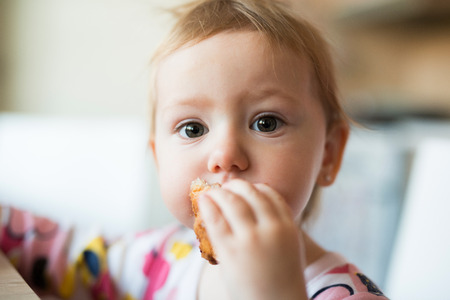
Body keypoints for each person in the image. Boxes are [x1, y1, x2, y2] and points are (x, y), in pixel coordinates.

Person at [0, 0, 388, 299]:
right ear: (158, 159)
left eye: (265, 123)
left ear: (328, 153)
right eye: (192, 128)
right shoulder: (162, 260)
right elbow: (57, 253)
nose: (224, 154)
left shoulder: (342, 292)